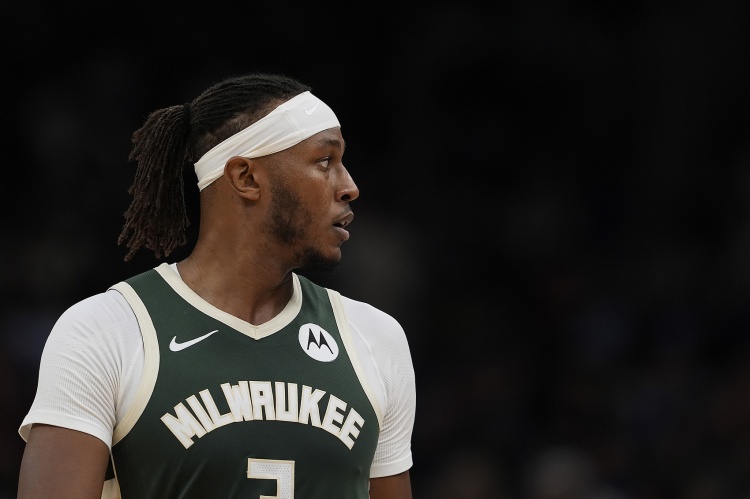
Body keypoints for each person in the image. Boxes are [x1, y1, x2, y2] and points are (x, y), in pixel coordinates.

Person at [17, 72, 416, 499]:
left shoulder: (375, 338)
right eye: (325, 161)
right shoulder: (106, 331)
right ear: (246, 178)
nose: (349, 187)